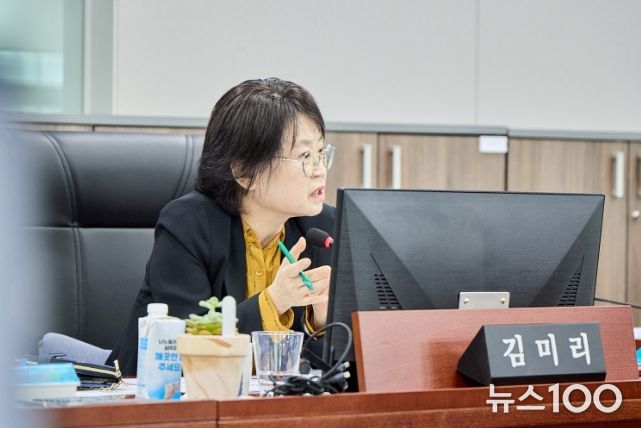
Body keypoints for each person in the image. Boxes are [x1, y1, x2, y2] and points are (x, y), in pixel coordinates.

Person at [108, 78, 336, 375]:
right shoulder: (188, 225)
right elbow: (190, 348)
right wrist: (274, 301)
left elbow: (330, 372)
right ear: (244, 172)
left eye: (321, 153)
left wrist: (321, 322)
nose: (320, 169)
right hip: (147, 392)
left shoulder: (321, 229)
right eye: (305, 156)